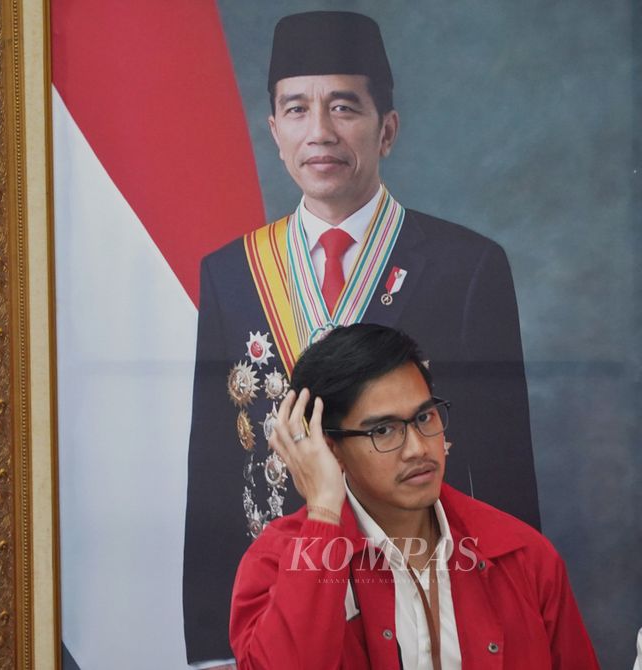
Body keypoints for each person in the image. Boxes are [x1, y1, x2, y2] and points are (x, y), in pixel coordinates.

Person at [183, 11, 539, 666]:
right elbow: (211, 475)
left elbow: (505, 468)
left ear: (388, 129)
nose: (319, 132)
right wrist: (211, 646)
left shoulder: (467, 266)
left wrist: (511, 618)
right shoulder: (231, 273)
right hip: (287, 601)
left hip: (434, 599)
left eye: (344, 107)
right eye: (296, 109)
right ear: (274, 131)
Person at [230, 323, 597, 669]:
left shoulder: (523, 556)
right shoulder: (277, 562)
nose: (418, 448)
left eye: (424, 418)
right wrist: (324, 509)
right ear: (330, 449)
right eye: (384, 430)